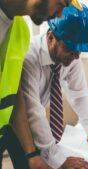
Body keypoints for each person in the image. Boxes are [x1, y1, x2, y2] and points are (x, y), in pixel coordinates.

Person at [20, 4, 88, 169]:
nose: (77, 56)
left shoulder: (70, 57)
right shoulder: (29, 57)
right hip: (18, 124)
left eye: (80, 50)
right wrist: (57, 158)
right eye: (72, 49)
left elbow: (79, 95)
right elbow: (33, 112)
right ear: (51, 38)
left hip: (35, 118)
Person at [0, 0, 80, 168]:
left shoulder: (19, 30)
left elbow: (15, 94)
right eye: (62, 4)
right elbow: (34, 110)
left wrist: (32, 154)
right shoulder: (31, 53)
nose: (59, 15)